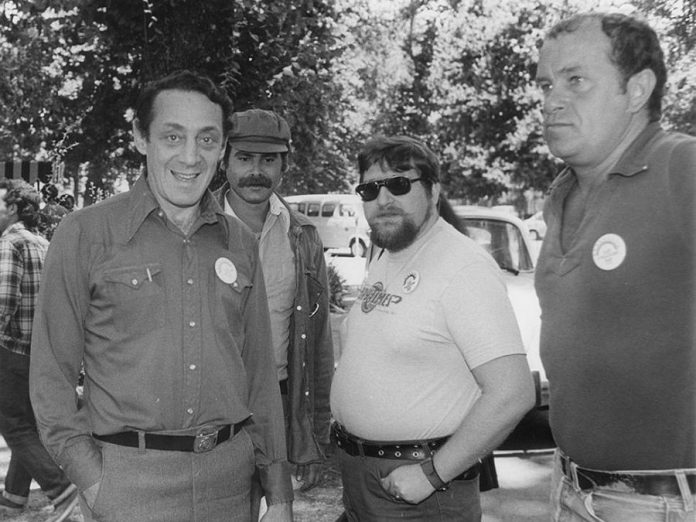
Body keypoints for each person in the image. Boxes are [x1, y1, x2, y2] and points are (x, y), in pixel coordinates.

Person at [29, 70, 293, 521]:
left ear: (222, 147)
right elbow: (50, 375)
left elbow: (261, 379)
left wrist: (279, 492)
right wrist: (95, 482)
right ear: (140, 137)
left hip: (230, 484)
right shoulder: (85, 234)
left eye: (207, 140)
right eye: (173, 136)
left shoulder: (240, 243)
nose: (190, 157)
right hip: (126, 483)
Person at [534, 12, 696, 521]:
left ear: (637, 89)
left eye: (576, 80)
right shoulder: (560, 195)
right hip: (571, 489)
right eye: (545, 84)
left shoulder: (680, 169)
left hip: (663, 503)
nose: (551, 100)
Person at [330, 135, 535, 521]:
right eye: (370, 189)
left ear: (434, 191)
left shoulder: (463, 267)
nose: (384, 199)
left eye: (400, 184)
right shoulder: (390, 254)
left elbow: (513, 392)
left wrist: (432, 473)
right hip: (364, 482)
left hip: (419, 494)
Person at [216, 108, 334, 517]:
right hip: (215, 407)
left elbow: (318, 344)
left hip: (281, 403)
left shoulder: (302, 236)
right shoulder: (194, 230)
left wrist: (312, 437)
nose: (256, 171)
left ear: (284, 165)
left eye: (268, 160)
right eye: (245, 158)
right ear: (224, 160)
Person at [0, 180, 78, 521]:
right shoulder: (43, 243)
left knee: (13, 424)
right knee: (28, 426)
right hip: (44, 351)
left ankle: (62, 487)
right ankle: (14, 499)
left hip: (13, 350)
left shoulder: (10, 242)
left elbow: (3, 301)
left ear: (14, 207)